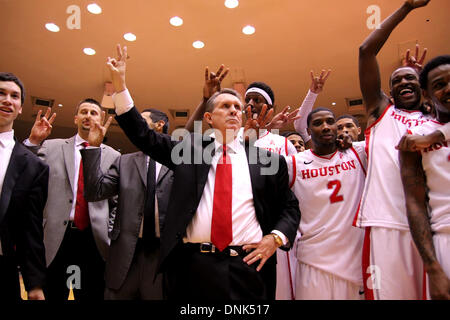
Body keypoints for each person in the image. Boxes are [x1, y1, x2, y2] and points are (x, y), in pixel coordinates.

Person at [107, 44, 300, 300]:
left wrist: (274, 239)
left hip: (249, 268)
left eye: (237, 108)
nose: (234, 111)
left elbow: (290, 208)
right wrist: (120, 88)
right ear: (208, 118)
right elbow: (144, 136)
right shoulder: (190, 151)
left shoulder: (267, 160)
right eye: (225, 106)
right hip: (193, 268)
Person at [353, 0, 450, 300]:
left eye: (410, 78)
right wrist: (406, 8)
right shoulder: (380, 112)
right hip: (387, 224)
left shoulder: (436, 122)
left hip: (432, 226)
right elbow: (365, 51)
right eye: (397, 80)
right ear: (389, 91)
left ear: (424, 90)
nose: (404, 82)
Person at [185, 65, 299, 299]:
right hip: (200, 262)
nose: (248, 106)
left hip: (252, 258)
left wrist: (275, 237)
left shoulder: (276, 150)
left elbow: (287, 204)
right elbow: (186, 141)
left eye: (245, 104)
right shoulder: (205, 148)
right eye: (245, 101)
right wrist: (206, 99)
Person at [24, 99, 120, 300]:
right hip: (57, 237)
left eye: (94, 113)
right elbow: (25, 174)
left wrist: (109, 230)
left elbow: (116, 202)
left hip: (94, 240)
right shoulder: (51, 147)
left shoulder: (113, 156)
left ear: (101, 119)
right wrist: (33, 142)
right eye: (83, 112)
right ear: (75, 118)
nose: (88, 116)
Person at [81, 107, 173, 300]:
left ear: (159, 125)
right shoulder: (125, 162)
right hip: (125, 255)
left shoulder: (179, 164)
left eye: (141, 119)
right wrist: (94, 148)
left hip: (161, 258)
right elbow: (94, 192)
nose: (136, 122)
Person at [286, 108, 366, 299]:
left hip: (356, 261)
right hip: (313, 262)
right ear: (308, 131)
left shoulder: (358, 152)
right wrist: (262, 131)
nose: (325, 127)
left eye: (330, 122)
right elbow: (258, 168)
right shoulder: (294, 163)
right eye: (318, 123)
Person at [398, 55, 450, 300]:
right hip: (445, 240)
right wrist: (432, 267)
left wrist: (438, 136)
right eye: (439, 85)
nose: (448, 88)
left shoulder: (428, 138)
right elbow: (415, 204)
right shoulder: (414, 138)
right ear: (427, 94)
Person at [0, 72, 48, 300]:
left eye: (14, 96)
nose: (7, 99)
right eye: (1, 93)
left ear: (20, 108)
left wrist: (34, 284)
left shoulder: (33, 167)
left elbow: (31, 228)